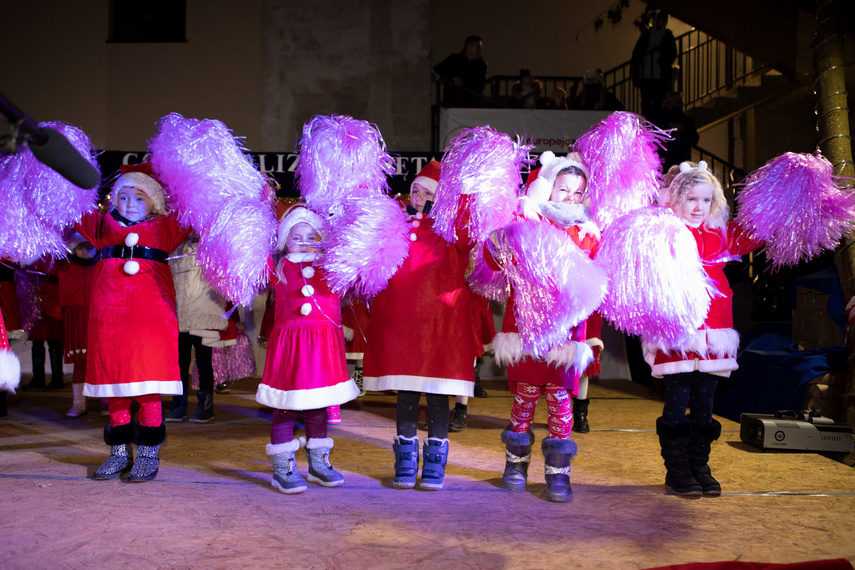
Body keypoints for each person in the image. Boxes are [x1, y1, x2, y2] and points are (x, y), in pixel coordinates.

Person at [486, 152, 599, 502]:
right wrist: (511, 229)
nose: (570, 198)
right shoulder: (527, 224)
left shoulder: (588, 235)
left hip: (565, 337)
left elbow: (593, 287)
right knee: (524, 401)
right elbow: (494, 260)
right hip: (526, 331)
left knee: (561, 404)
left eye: (578, 193)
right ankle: (515, 466)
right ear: (547, 189)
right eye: (564, 190)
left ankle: (558, 475)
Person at [362, 159, 480, 490]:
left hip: (440, 328)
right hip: (402, 325)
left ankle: (434, 465)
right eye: (415, 190)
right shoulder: (394, 224)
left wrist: (456, 199)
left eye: (428, 192)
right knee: (407, 394)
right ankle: (405, 461)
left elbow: (470, 234)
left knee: (438, 396)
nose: (419, 196)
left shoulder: (450, 230)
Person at [647, 161, 761, 496]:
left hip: (716, 329)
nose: (699, 207)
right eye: (691, 199)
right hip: (678, 331)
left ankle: (700, 465)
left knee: (705, 403)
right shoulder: (661, 232)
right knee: (677, 398)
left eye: (706, 201)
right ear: (676, 199)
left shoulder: (721, 234)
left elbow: (756, 233)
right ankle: (677, 470)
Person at [76, 163, 190, 482]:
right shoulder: (101, 225)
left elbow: (195, 211)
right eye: (123, 197)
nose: (129, 204)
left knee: (148, 388)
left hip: (151, 320)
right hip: (110, 320)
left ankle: (148, 454)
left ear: (154, 203)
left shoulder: (166, 228)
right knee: (117, 389)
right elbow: (68, 206)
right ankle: (119, 453)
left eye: (139, 198)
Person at [258, 206, 359, 495]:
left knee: (318, 405)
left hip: (323, 346)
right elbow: (251, 254)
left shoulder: (332, 266)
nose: (304, 241)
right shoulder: (279, 267)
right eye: (296, 236)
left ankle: (318, 464)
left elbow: (358, 257)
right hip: (290, 346)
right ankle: (282, 469)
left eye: (311, 236)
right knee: (286, 405)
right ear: (284, 240)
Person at [166, 233, 230, 423]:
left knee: (203, 361)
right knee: (179, 361)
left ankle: (205, 406)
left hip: (205, 312)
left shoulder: (214, 245)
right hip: (180, 312)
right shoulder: (176, 244)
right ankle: (178, 404)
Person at [56, 232, 98, 418]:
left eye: (88, 247)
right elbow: (41, 262)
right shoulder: (65, 266)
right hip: (76, 320)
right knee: (80, 363)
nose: (84, 251)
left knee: (102, 362)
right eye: (79, 247)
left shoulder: (102, 265)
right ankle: (78, 404)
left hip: (99, 318)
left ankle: (108, 402)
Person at [630, 10, 677, 119]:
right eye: (659, 20)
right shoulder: (647, 34)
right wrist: (633, 71)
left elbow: (672, 53)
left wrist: (663, 61)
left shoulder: (667, 35)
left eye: (662, 21)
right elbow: (637, 52)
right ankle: (646, 120)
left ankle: (655, 120)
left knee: (657, 100)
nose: (660, 23)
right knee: (645, 100)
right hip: (645, 74)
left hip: (659, 75)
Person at [433, 35, 488, 108]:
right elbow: (438, 68)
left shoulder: (481, 65)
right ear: (469, 47)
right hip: (451, 102)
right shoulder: (454, 59)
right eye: (478, 48)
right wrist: (452, 77)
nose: (480, 51)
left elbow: (478, 84)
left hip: (469, 104)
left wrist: (462, 82)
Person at [651, 91, 699, 170]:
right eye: (676, 102)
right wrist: (669, 127)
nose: (678, 105)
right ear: (667, 103)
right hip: (664, 160)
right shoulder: (658, 118)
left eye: (680, 102)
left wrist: (682, 130)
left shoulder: (688, 120)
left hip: (682, 159)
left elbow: (694, 138)